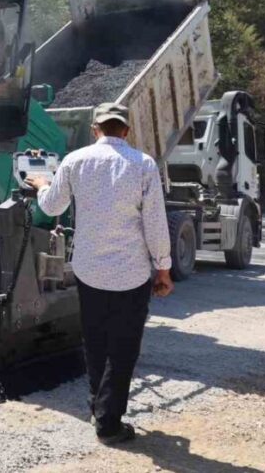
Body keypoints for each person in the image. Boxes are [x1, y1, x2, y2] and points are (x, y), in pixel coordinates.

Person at [25, 102, 174, 445]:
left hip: (89, 271)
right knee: (122, 350)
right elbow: (154, 223)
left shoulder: (75, 161)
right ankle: (108, 423)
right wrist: (163, 268)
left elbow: (51, 207)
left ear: (95, 129)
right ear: (126, 130)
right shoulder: (143, 165)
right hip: (131, 275)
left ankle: (98, 406)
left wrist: (42, 185)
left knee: (94, 343)